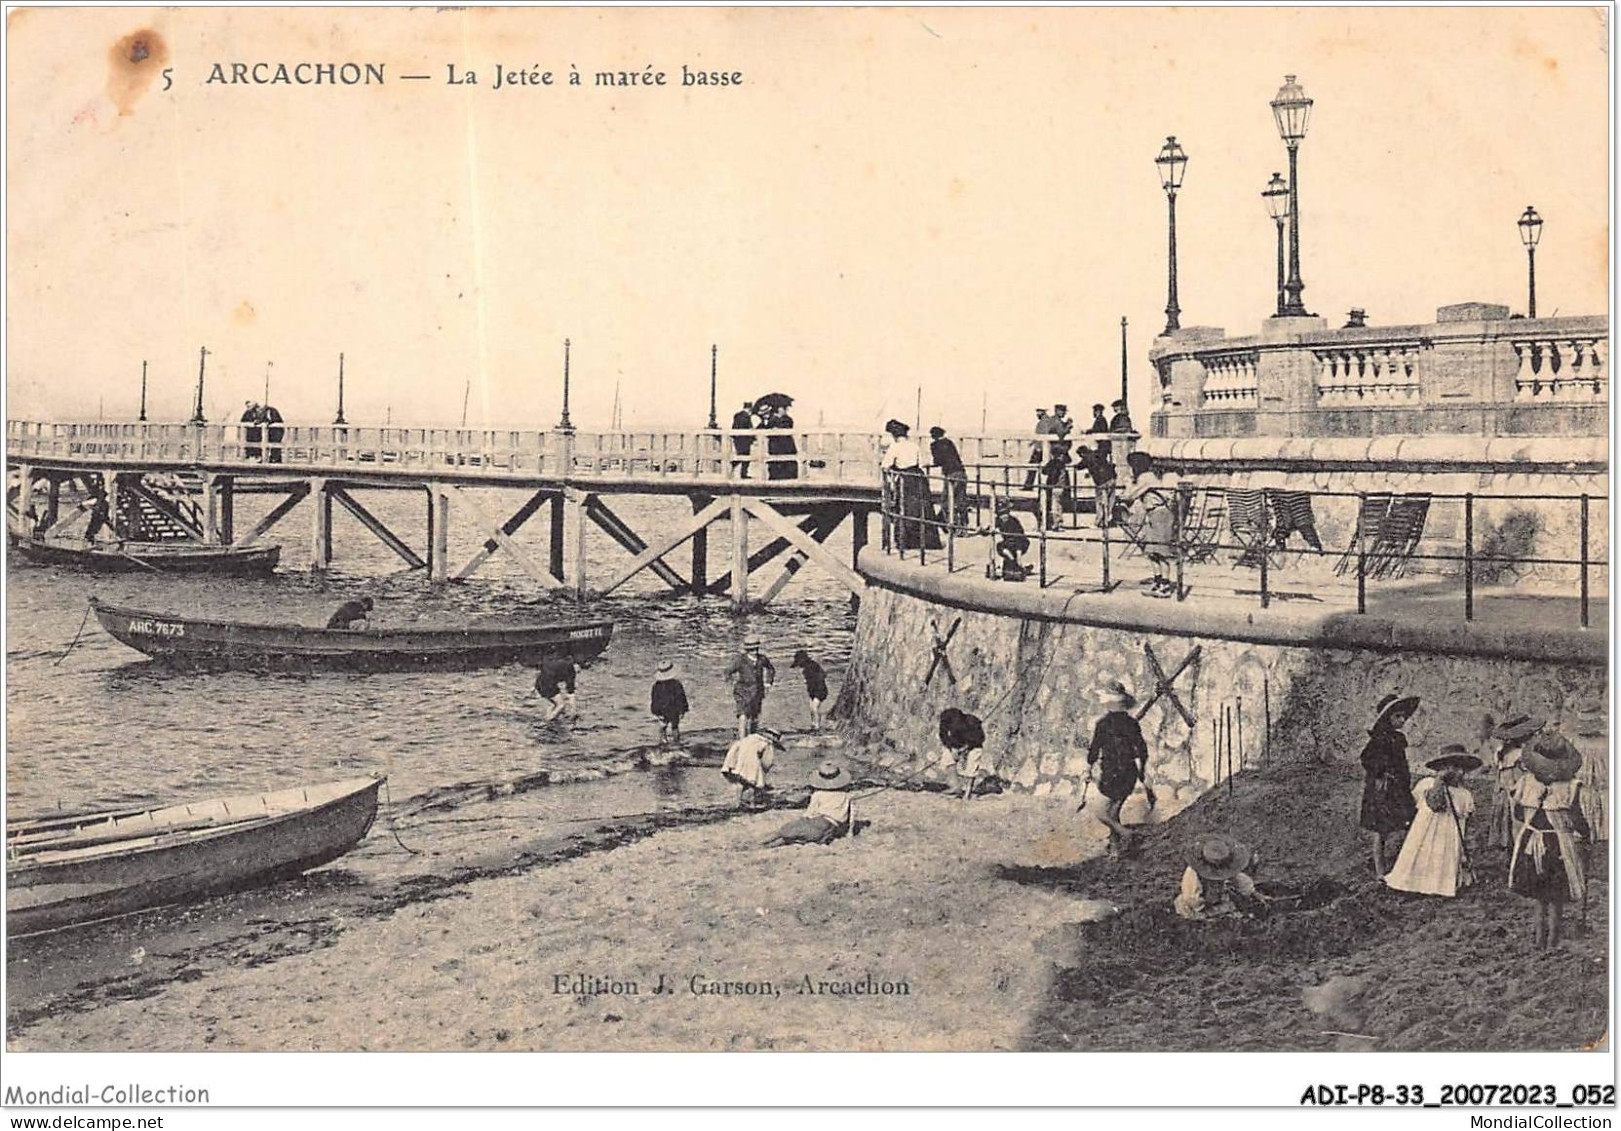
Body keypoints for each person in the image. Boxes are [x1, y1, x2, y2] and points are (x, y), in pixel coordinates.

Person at [1508, 733, 1592, 949]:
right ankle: (1552, 942)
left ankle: (1539, 940)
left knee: (1539, 896)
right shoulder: (1570, 787)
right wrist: (1585, 833)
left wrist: (1532, 815)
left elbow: (1518, 813)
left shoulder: (1526, 782)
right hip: (1557, 847)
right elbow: (1576, 817)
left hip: (1530, 842)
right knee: (1556, 897)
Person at [1384, 747, 1481, 898]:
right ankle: (1412, 886)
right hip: (1425, 833)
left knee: (1442, 859)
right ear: (1444, 768)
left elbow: (1468, 824)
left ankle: (1439, 886)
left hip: (1449, 836)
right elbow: (1436, 804)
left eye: (1463, 769)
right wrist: (1440, 780)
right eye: (1455, 768)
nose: (1460, 773)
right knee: (1421, 857)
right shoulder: (1428, 784)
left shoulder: (1464, 794)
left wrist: (1468, 848)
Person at [1085, 680, 1149, 859]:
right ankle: (1115, 849)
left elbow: (1094, 749)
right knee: (1113, 812)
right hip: (1129, 772)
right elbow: (1142, 750)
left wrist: (1089, 768)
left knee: (1101, 813)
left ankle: (1126, 835)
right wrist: (1142, 770)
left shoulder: (1103, 724)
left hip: (1111, 772)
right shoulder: (1132, 723)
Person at [1359, 693, 1420, 877]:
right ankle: (1380, 871)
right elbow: (1366, 759)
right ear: (1387, 718)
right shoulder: (1378, 739)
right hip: (1383, 792)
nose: (1402, 720)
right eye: (1397, 716)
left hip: (1399, 788)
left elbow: (1402, 764)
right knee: (1381, 831)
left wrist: (1404, 779)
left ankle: (1407, 866)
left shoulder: (1398, 739)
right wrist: (1382, 772)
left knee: (1410, 822)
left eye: (1403, 716)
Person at [1124, 451, 1179, 597]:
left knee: (1161, 551)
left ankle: (1165, 586)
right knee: (1151, 552)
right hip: (1152, 514)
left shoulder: (1146, 477)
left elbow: (1130, 496)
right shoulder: (1145, 477)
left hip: (1161, 514)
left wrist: (1128, 483)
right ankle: (1157, 582)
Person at [1174, 833, 1266, 920]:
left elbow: (1238, 878)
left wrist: (1254, 893)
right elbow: (1193, 900)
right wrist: (1213, 909)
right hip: (1199, 908)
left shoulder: (1224, 867)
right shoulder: (1193, 875)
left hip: (1218, 899)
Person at [1486, 714, 1543, 852]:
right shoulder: (1520, 754)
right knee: (1519, 823)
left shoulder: (1501, 751)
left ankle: (1510, 849)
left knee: (1508, 821)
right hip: (1517, 791)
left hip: (1503, 790)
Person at [763, 760, 855, 845]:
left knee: (786, 830)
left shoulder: (818, 794)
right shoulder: (846, 795)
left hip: (820, 822)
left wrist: (802, 820)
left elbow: (809, 813)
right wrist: (849, 832)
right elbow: (851, 815)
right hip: (831, 830)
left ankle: (762, 843)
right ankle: (769, 844)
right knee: (793, 836)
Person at [880, 420, 939, 551]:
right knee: (922, 508)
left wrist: (891, 479)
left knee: (904, 508)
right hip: (918, 478)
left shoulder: (894, 447)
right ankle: (927, 541)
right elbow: (922, 464)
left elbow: (885, 466)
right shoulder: (915, 446)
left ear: (894, 436)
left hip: (905, 480)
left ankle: (905, 542)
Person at [725, 637, 775, 737]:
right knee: (743, 715)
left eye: (756, 649)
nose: (754, 652)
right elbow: (727, 672)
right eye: (751, 650)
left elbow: (771, 669)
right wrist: (732, 682)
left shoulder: (762, 659)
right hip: (742, 691)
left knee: (755, 716)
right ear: (747, 650)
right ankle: (742, 740)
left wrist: (768, 682)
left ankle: (752, 736)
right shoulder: (740, 660)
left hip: (757, 691)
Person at [939, 707, 991, 800]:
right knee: (947, 756)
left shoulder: (972, 722)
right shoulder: (945, 720)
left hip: (973, 745)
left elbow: (980, 739)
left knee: (972, 763)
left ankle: (968, 792)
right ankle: (955, 786)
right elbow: (943, 736)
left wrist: (964, 749)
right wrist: (952, 749)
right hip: (956, 745)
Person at [722, 725, 779, 809]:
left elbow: (734, 748)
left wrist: (730, 765)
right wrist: (765, 770)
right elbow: (767, 762)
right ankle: (752, 804)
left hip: (740, 763)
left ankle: (737, 803)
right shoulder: (766, 744)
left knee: (741, 783)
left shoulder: (747, 739)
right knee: (753, 785)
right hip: (752, 764)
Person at [927, 426, 968, 530]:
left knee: (946, 501)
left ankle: (953, 526)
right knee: (960, 500)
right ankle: (964, 525)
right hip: (961, 472)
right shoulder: (949, 442)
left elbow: (938, 461)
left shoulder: (935, 445)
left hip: (951, 474)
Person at [1076, 442, 1119, 529]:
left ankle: (1098, 522)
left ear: (1082, 454)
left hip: (1101, 482)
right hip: (1111, 478)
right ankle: (1106, 520)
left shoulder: (1086, 458)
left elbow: (1079, 466)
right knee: (1110, 501)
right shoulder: (1098, 453)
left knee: (1100, 502)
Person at [650, 660, 689, 746]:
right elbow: (681, 698)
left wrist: (656, 711)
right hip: (674, 710)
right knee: (675, 727)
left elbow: (654, 700)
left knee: (662, 728)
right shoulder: (676, 684)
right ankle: (676, 742)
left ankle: (663, 743)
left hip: (662, 710)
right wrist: (683, 710)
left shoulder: (656, 686)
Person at [789, 649, 829, 731]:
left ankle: (817, 726)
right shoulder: (810, 666)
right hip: (813, 691)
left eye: (799, 664)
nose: (799, 666)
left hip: (820, 690)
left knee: (814, 708)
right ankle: (813, 724)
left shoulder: (811, 666)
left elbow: (822, 675)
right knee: (812, 708)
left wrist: (814, 681)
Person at [992, 497, 1030, 581]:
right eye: (1001, 514)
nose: (1004, 516)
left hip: (1020, 543)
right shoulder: (998, 520)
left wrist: (1019, 557)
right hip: (1008, 543)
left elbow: (1020, 538)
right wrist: (982, 530)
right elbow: (990, 529)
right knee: (1000, 547)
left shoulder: (1014, 522)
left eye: (1005, 514)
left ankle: (1016, 566)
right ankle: (1012, 563)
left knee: (1013, 553)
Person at [1039, 439, 1072, 530]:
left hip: (1055, 486)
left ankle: (1055, 523)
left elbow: (1044, 471)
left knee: (1054, 506)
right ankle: (1057, 523)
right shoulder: (1061, 463)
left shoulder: (1054, 462)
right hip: (1059, 486)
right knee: (1057, 506)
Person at [534, 654, 578, 722]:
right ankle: (548, 721)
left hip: (540, 682)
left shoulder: (561, 661)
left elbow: (543, 665)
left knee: (557, 705)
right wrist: (574, 711)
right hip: (547, 684)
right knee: (561, 705)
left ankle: (550, 717)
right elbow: (571, 693)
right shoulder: (570, 671)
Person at [764, 405, 799, 481]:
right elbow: (767, 431)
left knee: (788, 463)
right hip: (776, 445)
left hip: (786, 445)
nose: (785, 410)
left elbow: (789, 426)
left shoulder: (787, 419)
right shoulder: (771, 419)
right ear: (779, 409)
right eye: (784, 409)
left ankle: (788, 477)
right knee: (775, 463)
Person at [1024, 408, 1051, 489]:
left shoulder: (1043, 422)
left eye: (1038, 412)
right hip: (1042, 447)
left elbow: (1042, 435)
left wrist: (1035, 444)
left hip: (1040, 448)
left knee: (1032, 466)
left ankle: (1028, 486)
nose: (1037, 414)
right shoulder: (1047, 421)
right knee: (1037, 467)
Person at [730, 402, 756, 477]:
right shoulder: (747, 417)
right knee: (745, 457)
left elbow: (734, 427)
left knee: (740, 455)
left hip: (737, 439)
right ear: (749, 409)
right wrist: (753, 438)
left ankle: (732, 467)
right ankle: (743, 473)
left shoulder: (737, 415)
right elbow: (749, 428)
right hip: (745, 440)